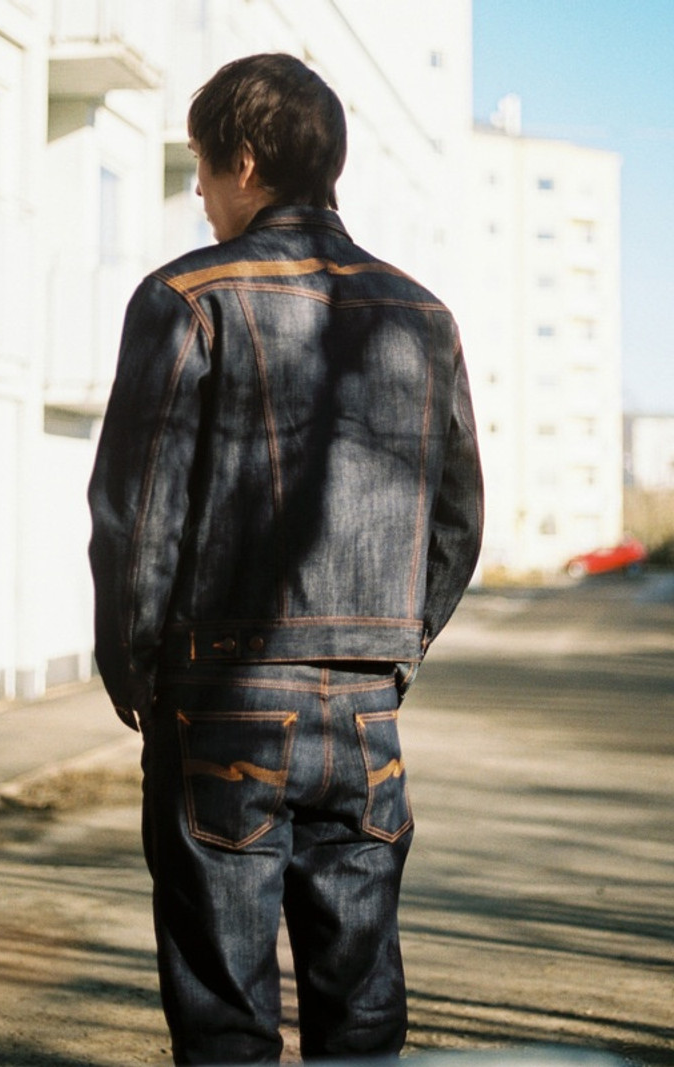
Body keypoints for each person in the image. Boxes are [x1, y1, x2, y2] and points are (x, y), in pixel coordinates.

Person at [88, 52, 483, 1064]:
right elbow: (456, 521)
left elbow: (135, 513)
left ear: (246, 163)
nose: (198, 191)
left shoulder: (186, 297)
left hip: (219, 698)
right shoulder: (423, 316)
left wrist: (134, 669)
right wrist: (391, 651)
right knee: (361, 1011)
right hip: (364, 711)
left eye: (201, 165)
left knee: (226, 1015)